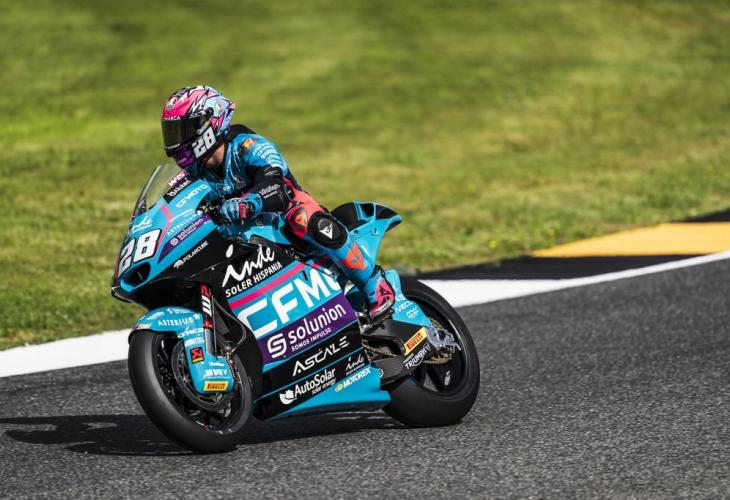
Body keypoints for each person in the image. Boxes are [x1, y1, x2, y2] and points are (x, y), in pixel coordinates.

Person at [160, 85, 395, 320]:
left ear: (210, 122)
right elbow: (173, 208)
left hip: (282, 220)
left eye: (182, 130)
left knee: (304, 218)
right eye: (171, 131)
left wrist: (247, 203)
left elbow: (275, 185)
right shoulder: (193, 174)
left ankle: (374, 285)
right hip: (239, 237)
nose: (175, 142)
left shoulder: (249, 146)